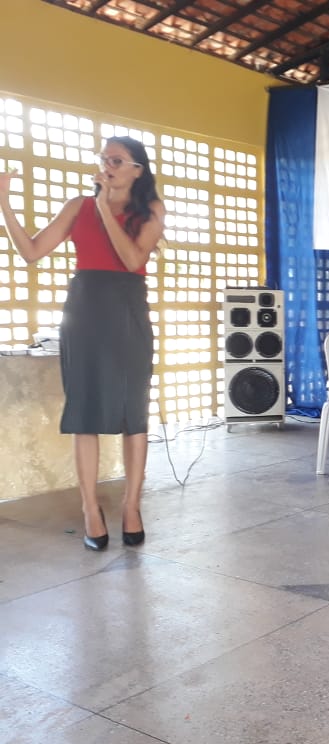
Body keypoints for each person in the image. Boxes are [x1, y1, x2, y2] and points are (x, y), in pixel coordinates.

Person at [0, 136, 164, 551]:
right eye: (103, 159)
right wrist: (4, 202)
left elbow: (131, 259)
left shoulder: (151, 211)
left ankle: (131, 506)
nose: (106, 164)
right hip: (85, 311)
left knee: (133, 412)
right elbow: (32, 251)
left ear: (136, 170)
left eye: (116, 159)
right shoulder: (78, 206)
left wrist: (106, 206)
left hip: (128, 311)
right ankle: (91, 510)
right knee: (86, 412)